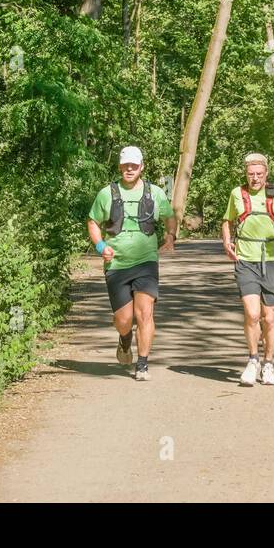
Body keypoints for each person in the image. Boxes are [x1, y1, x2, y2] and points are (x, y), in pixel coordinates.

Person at [87, 146, 176, 381]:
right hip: (116, 264)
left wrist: (170, 236)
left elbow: (169, 216)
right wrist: (100, 246)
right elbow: (93, 222)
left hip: (146, 261)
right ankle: (125, 340)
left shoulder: (155, 193)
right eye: (126, 165)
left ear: (141, 167)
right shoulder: (107, 193)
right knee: (124, 320)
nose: (129, 169)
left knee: (145, 313)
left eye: (134, 166)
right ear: (120, 166)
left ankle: (143, 363)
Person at [221, 153, 274, 386]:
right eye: (251, 174)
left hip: (273, 259)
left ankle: (268, 363)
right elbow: (227, 220)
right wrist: (227, 242)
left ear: (266, 173)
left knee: (269, 316)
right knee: (252, 314)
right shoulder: (237, 193)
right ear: (246, 174)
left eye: (259, 174)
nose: (255, 178)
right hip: (246, 259)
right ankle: (252, 359)